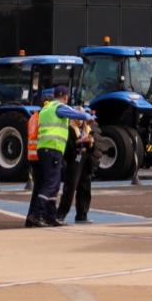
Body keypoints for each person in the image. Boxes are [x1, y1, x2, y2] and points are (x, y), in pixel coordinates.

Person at [24, 87, 93, 228]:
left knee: (52, 184)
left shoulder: (46, 109)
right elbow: (76, 115)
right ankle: (36, 215)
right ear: (66, 97)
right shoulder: (59, 107)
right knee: (51, 184)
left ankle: (50, 216)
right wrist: (87, 116)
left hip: (45, 149)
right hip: (53, 149)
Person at [56, 117, 96, 224]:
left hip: (86, 161)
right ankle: (60, 215)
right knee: (70, 189)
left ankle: (82, 215)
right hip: (74, 161)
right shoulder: (69, 129)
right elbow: (68, 148)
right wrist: (80, 141)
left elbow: (92, 149)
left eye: (82, 118)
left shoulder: (88, 129)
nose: (81, 120)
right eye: (78, 118)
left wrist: (91, 143)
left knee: (85, 188)